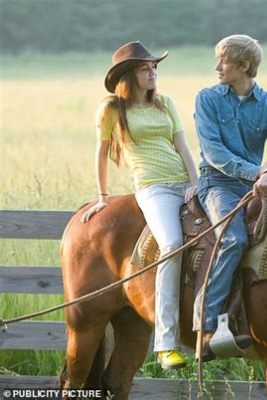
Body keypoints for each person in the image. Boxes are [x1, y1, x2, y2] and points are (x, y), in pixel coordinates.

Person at [81, 41, 198, 370]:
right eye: (146, 68)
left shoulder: (166, 104)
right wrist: (103, 196)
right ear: (129, 76)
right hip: (153, 189)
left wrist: (196, 183)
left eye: (155, 67)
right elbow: (101, 153)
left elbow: (184, 147)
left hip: (183, 183)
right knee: (172, 244)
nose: (153, 73)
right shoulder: (113, 110)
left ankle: (216, 328)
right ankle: (165, 343)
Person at [193, 34, 267, 360]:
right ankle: (206, 328)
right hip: (217, 184)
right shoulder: (207, 99)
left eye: (223, 61)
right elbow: (213, 153)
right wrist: (258, 172)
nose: (217, 67)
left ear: (245, 66)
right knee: (234, 238)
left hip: (259, 185)